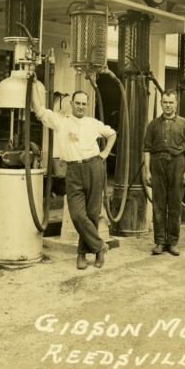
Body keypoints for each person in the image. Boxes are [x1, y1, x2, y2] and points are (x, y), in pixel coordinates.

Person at [31, 85, 116, 270]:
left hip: (94, 166)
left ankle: (82, 254)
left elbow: (112, 134)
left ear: (87, 106)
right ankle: (100, 246)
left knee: (92, 214)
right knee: (77, 215)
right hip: (73, 170)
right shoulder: (61, 121)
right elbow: (39, 110)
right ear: (71, 104)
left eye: (84, 104)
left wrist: (104, 154)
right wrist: (32, 86)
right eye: (77, 103)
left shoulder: (93, 123)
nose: (80, 107)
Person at [142, 90, 185, 256]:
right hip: (157, 165)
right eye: (165, 102)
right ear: (161, 104)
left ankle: (172, 242)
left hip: (177, 164)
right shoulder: (153, 125)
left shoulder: (184, 124)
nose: (168, 105)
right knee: (158, 204)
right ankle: (159, 242)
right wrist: (147, 172)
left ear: (176, 104)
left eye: (171, 102)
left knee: (174, 205)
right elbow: (147, 149)